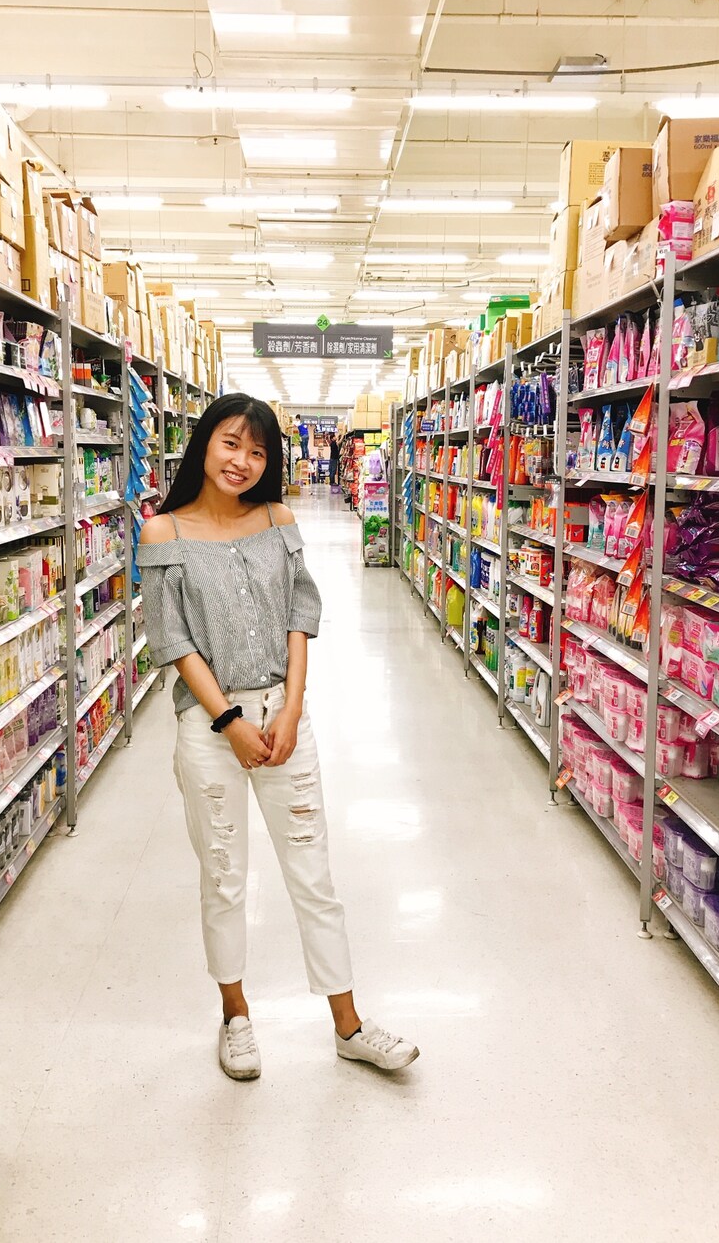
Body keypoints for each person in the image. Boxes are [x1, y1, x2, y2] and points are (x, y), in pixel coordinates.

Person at [139, 393, 418, 1081]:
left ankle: (349, 1026)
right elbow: (172, 639)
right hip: (211, 729)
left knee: (313, 873)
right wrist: (228, 722)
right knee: (224, 877)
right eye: (231, 443)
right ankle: (235, 1016)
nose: (242, 461)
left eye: (258, 451)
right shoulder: (163, 531)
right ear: (205, 444)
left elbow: (299, 613)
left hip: (283, 719)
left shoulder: (278, 520)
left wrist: (292, 708)